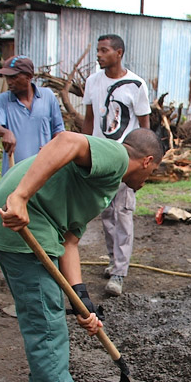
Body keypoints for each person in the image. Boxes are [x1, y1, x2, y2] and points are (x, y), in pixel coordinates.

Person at [0, 128, 162, 382]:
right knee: (48, 332)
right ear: (147, 161)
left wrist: (82, 299)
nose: (148, 178)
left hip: (35, 228)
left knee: (46, 323)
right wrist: (21, 197)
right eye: (152, 172)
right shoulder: (117, 157)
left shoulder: (103, 183)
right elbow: (66, 140)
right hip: (22, 225)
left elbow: (69, 239)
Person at [82, 34, 152, 296]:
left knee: (122, 214)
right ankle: (114, 261)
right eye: (98, 50)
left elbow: (145, 127)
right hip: (100, 158)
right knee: (107, 214)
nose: (99, 55)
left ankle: (120, 273)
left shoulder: (135, 85)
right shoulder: (93, 82)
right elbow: (89, 121)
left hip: (126, 160)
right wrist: (85, 150)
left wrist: (145, 164)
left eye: (104, 50)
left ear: (119, 53)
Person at [0, 55, 65, 175]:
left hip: (45, 172)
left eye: (14, 77)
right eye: (7, 77)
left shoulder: (48, 96)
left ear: (29, 77)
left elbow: (59, 130)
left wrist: (53, 148)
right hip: (14, 174)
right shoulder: (2, 100)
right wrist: (5, 132)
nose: (9, 82)